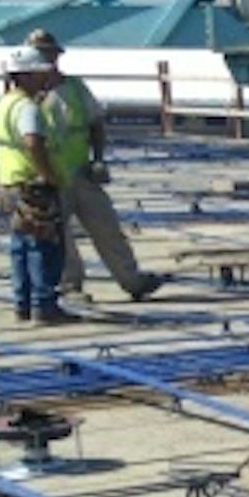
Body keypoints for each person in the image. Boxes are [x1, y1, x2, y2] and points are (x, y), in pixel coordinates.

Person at [25, 29, 165, 301]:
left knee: (106, 227)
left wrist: (98, 159)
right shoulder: (27, 97)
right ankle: (70, 286)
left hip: (80, 172)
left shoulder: (74, 87)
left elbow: (94, 124)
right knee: (60, 236)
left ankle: (132, 279)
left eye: (50, 55)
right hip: (50, 176)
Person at [0, 48, 77, 324]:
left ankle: (23, 304)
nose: (45, 77)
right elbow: (32, 143)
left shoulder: (6, 103)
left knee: (20, 248)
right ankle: (44, 306)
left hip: (10, 185)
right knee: (44, 246)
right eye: (40, 73)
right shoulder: (28, 108)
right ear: (26, 76)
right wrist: (49, 175)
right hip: (33, 187)